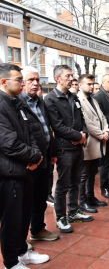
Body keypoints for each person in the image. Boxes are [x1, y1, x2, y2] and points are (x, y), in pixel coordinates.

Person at [0, 63, 49, 269]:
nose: (23, 83)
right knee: (11, 220)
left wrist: (36, 155)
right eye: (19, 80)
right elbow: (8, 143)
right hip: (10, 172)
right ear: (4, 82)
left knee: (23, 216)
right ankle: (11, 262)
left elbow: (30, 134)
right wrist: (34, 156)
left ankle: (21, 252)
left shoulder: (16, 103)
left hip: (26, 170)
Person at [44, 65, 93, 233]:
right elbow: (57, 125)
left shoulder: (73, 97)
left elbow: (82, 119)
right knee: (63, 185)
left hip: (78, 146)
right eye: (68, 75)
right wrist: (77, 136)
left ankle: (74, 212)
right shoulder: (50, 99)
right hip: (64, 149)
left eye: (72, 75)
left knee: (76, 182)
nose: (71, 78)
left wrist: (84, 134)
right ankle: (61, 217)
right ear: (57, 78)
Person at [19, 66, 59, 242]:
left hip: (44, 159)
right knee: (23, 202)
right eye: (31, 80)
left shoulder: (40, 101)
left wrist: (52, 152)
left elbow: (47, 129)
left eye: (37, 80)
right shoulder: (17, 102)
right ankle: (20, 241)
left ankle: (38, 229)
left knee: (41, 197)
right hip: (27, 162)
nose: (35, 83)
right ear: (21, 82)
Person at [77, 74, 109, 213]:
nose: (91, 86)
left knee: (92, 173)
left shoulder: (93, 100)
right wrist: (101, 134)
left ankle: (91, 197)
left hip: (99, 141)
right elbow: (87, 122)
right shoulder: (79, 100)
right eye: (88, 84)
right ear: (80, 85)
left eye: (92, 84)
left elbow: (102, 117)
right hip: (89, 142)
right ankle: (82, 201)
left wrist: (106, 130)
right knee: (84, 175)